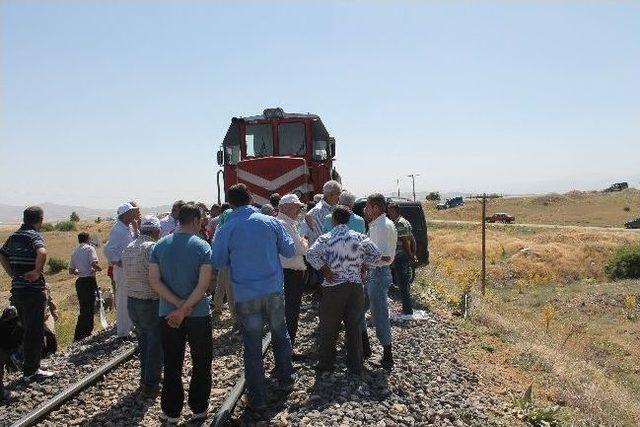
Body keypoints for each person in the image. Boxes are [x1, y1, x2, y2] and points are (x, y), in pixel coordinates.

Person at [212, 183, 296, 412]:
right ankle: (286, 378)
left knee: (252, 346)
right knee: (280, 333)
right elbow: (289, 251)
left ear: (230, 203)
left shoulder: (226, 228)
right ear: (250, 198)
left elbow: (218, 261)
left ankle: (257, 398)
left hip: (245, 294)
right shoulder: (271, 222)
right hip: (273, 290)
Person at [149, 204, 213, 422]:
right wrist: (185, 309)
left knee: (172, 363)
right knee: (201, 361)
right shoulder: (202, 246)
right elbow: (204, 284)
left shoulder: (159, 246)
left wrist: (177, 307)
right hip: (199, 314)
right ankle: (199, 408)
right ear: (195, 220)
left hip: (168, 314)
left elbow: (154, 281)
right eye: (202, 219)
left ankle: (171, 412)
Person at [306, 205, 383, 375]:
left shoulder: (325, 238)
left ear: (333, 219)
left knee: (329, 325)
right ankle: (355, 365)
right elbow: (377, 255)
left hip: (333, 287)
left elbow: (310, 254)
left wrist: (324, 268)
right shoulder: (360, 237)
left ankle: (326, 363)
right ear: (349, 220)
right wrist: (363, 263)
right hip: (355, 286)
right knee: (354, 325)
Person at [0, 206, 54, 380]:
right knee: (35, 330)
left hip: (17, 290)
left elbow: (2, 254)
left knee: (25, 327)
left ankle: (32, 361)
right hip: (33, 291)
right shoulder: (34, 235)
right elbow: (42, 252)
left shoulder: (14, 236)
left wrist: (12, 273)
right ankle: (31, 371)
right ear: (41, 219)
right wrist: (37, 271)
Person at [122, 215, 163, 398]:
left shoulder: (129, 247)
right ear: (156, 231)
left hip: (132, 301)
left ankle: (144, 379)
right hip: (149, 301)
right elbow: (158, 276)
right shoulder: (152, 248)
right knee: (155, 344)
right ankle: (152, 384)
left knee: (143, 341)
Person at [363, 193, 397, 370]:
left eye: (367, 206)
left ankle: (387, 356)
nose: (365, 209)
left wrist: (364, 258)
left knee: (379, 315)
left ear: (375, 208)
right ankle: (365, 347)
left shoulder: (382, 226)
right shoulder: (378, 224)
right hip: (373, 273)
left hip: (378, 273)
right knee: (359, 309)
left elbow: (383, 257)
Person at [276, 194, 308, 355]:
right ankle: (287, 351)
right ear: (286, 207)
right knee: (290, 313)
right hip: (290, 273)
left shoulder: (287, 223)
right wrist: (304, 242)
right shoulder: (285, 224)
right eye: (297, 207)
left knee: (289, 313)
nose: (299, 210)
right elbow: (299, 249)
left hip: (289, 273)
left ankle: (287, 349)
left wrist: (302, 242)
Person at [104, 202, 139, 337]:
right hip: (122, 268)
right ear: (125, 214)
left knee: (130, 297)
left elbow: (135, 242)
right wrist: (117, 262)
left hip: (129, 267)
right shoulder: (117, 229)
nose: (134, 214)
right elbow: (108, 249)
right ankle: (123, 331)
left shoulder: (127, 227)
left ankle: (130, 326)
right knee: (123, 298)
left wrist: (136, 230)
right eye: (131, 212)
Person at [69, 232, 102, 341]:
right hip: (89, 280)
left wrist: (79, 271)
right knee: (90, 307)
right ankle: (87, 332)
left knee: (84, 308)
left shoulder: (74, 251)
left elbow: (71, 270)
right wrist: (99, 268)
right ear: (88, 239)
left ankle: (79, 334)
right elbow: (93, 264)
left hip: (80, 282)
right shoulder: (90, 249)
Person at [387, 202, 418, 315]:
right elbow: (412, 239)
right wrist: (413, 253)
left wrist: (411, 255)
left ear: (395, 211)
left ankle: (407, 310)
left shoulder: (399, 223)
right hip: (403, 256)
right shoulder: (405, 221)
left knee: (403, 284)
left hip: (400, 256)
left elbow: (405, 241)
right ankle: (407, 308)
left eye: (390, 211)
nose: (388, 213)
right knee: (404, 283)